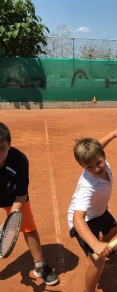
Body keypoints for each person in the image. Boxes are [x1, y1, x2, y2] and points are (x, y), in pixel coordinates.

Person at [68, 125, 117, 292]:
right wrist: (95, 244)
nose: (96, 169)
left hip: (99, 211)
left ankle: (105, 246)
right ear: (82, 166)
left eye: (99, 162)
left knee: (114, 229)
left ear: (103, 157)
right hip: (85, 221)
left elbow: (100, 146)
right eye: (89, 167)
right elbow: (77, 218)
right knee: (98, 263)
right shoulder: (87, 187)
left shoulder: (100, 159)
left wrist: (113, 133)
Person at [0, 122, 59, 286]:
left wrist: (11, 219)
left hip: (13, 197)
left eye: (2, 147)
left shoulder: (19, 160)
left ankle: (39, 265)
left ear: (9, 145)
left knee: (28, 228)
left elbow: (21, 194)